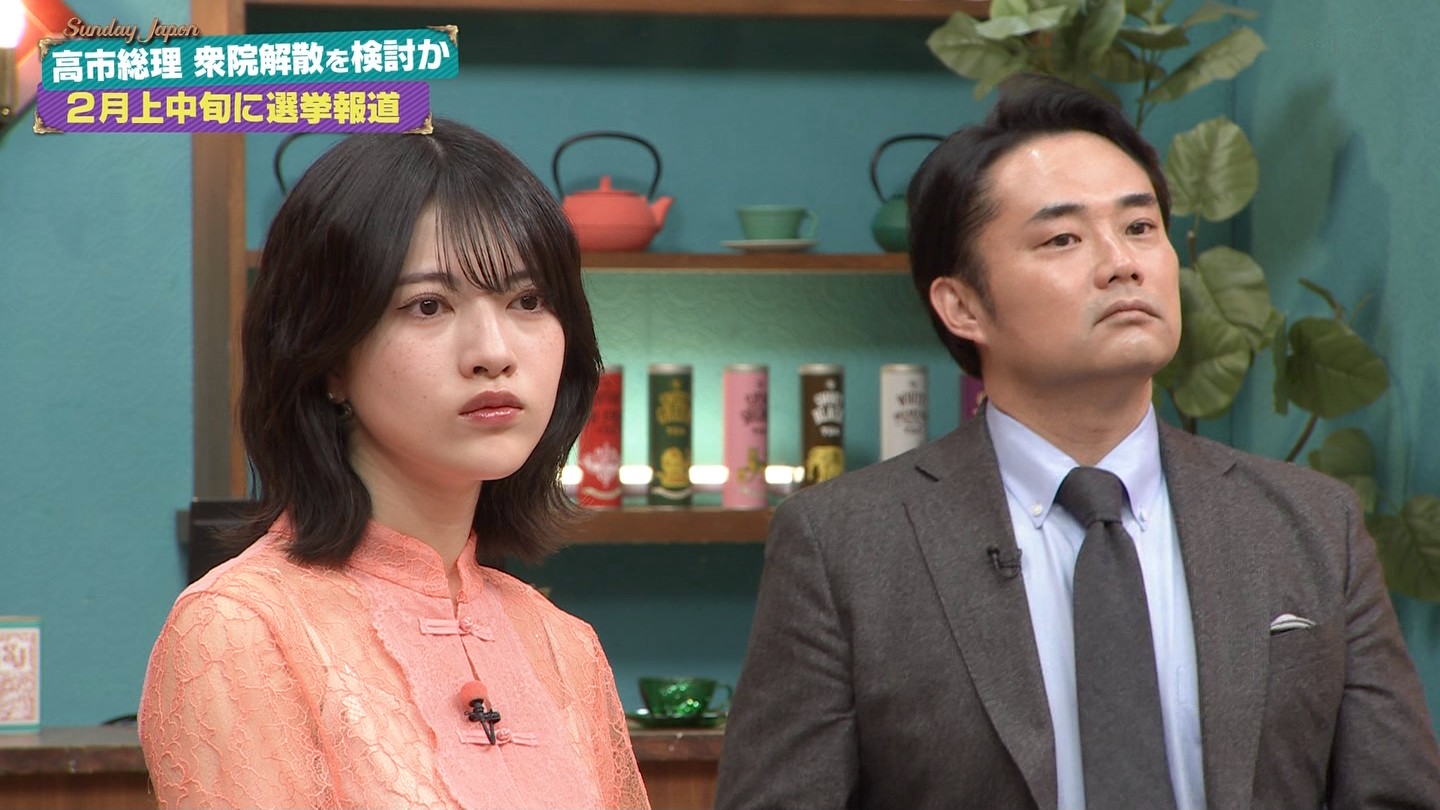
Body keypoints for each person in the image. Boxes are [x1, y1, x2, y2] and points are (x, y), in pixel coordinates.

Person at [714, 75, 1440, 810]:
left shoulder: (1311, 523)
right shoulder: (845, 545)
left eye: (1140, 227)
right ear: (962, 305)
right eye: (1062, 238)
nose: (1123, 262)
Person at [139, 120, 650, 810]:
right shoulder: (240, 629)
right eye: (428, 305)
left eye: (527, 300)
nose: (493, 352)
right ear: (327, 357)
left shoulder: (564, 645)